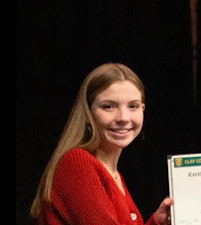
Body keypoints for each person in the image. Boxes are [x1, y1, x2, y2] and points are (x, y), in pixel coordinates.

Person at [30, 62, 173, 225]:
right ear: (88, 113)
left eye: (133, 106)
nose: (123, 118)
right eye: (108, 107)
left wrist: (157, 222)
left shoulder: (114, 175)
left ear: (143, 109)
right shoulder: (77, 162)